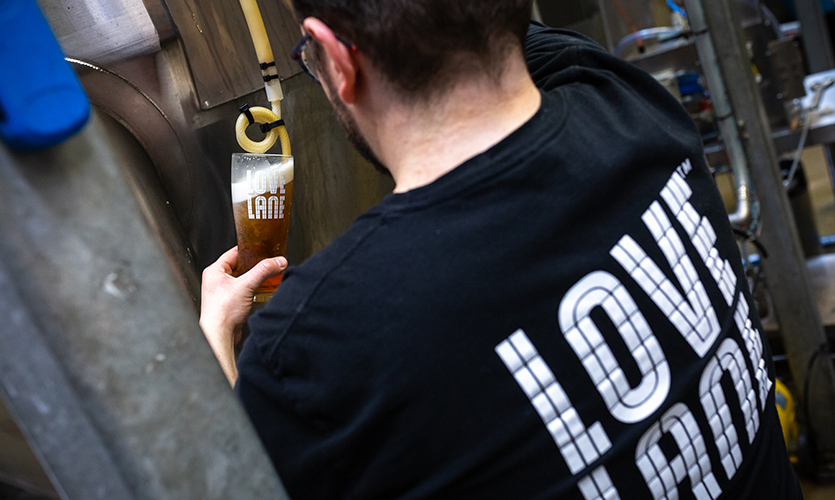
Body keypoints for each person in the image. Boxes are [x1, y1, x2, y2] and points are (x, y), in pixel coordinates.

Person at [200, 1, 802, 498]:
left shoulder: (314, 346)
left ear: (336, 58)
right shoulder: (630, 103)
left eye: (312, 62)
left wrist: (213, 347)